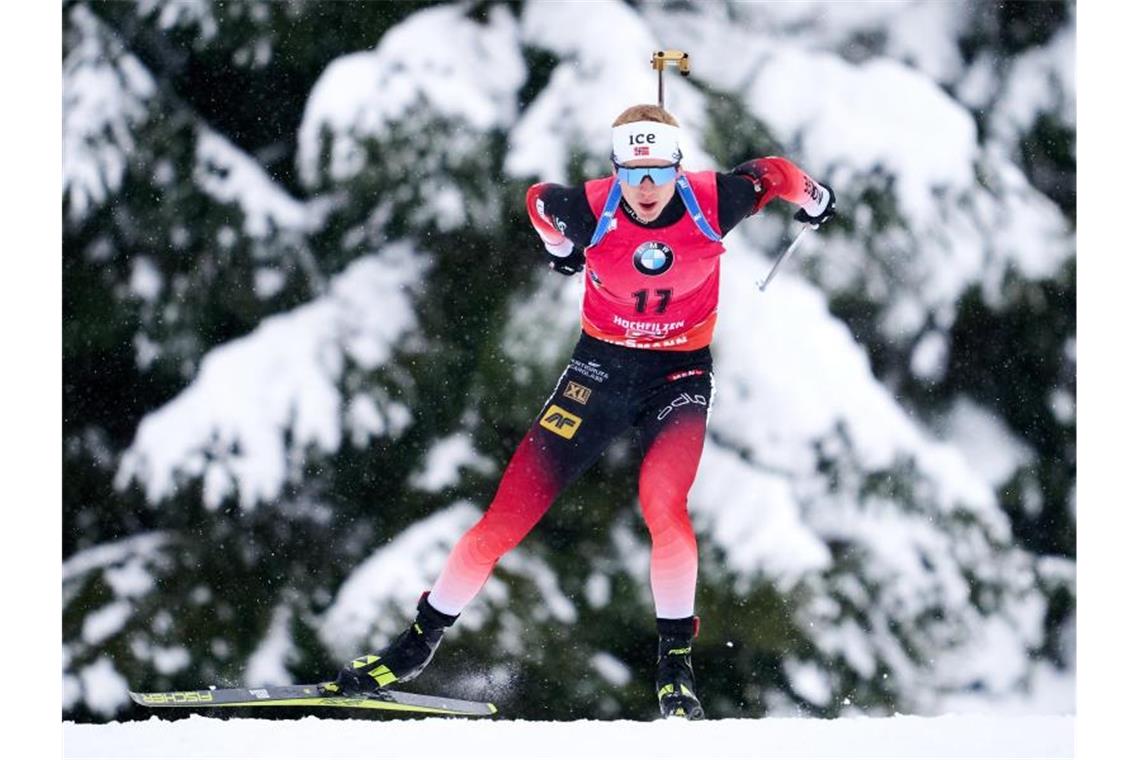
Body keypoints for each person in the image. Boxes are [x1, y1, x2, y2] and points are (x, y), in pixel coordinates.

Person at [321, 104, 836, 720]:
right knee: (502, 522)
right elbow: (538, 200)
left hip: (678, 376)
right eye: (631, 172)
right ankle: (415, 645)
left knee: (663, 507)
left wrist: (816, 197)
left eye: (657, 172)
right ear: (615, 169)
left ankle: (675, 671)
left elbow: (775, 173)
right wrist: (561, 249)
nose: (645, 189)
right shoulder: (590, 206)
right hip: (597, 373)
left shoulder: (715, 199)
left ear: (678, 166)